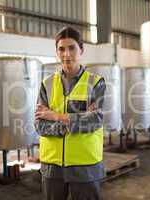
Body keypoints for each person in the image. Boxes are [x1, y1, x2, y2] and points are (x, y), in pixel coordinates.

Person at [35, 26, 106, 200]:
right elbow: (39, 125)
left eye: (72, 48)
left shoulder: (95, 83)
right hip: (52, 167)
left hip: (85, 166)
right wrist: (71, 124)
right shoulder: (47, 84)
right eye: (61, 49)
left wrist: (55, 116)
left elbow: (95, 120)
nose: (67, 54)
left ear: (81, 49)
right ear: (57, 52)